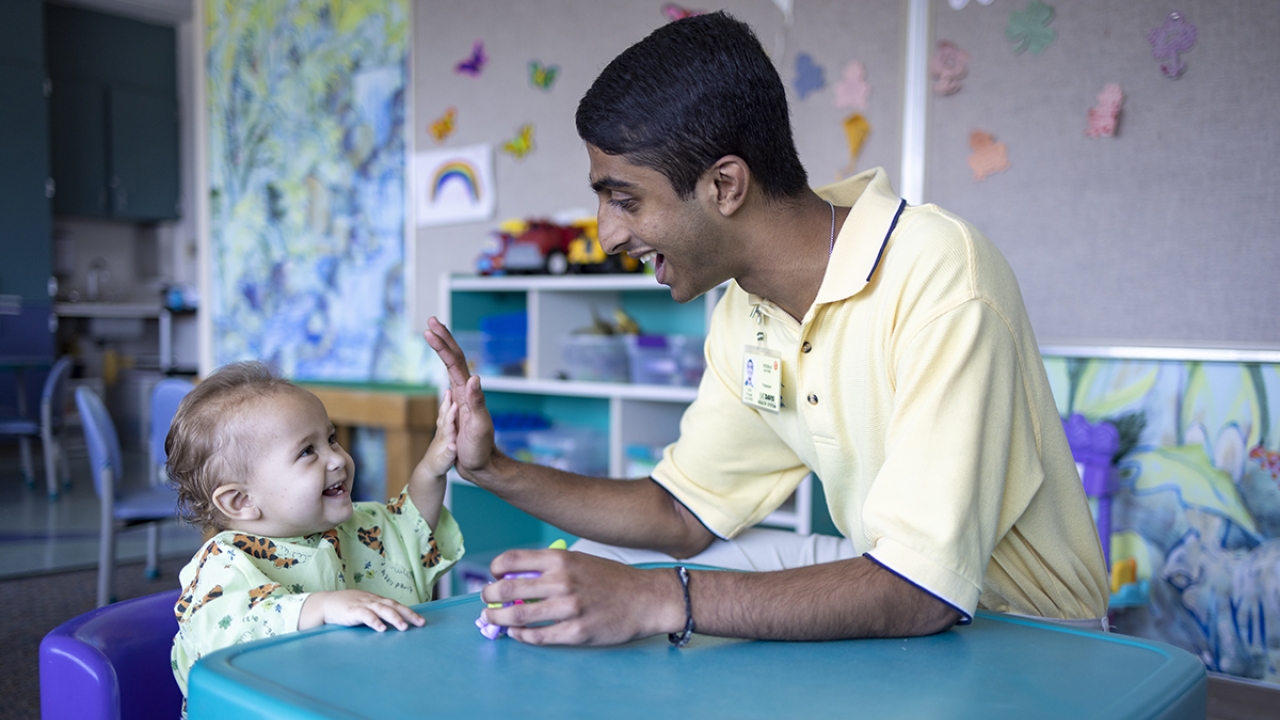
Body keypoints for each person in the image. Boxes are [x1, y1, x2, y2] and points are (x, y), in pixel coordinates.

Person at [425, 11, 1107, 647]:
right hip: (906, 585)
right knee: (602, 565)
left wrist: (661, 599)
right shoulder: (745, 312)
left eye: (625, 199)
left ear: (725, 186)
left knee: (652, 591)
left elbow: (921, 588)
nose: (607, 236)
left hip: (1022, 633)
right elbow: (681, 516)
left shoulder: (939, 274)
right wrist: (494, 471)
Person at [167, 361, 464, 703]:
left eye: (332, 439)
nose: (337, 459)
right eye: (308, 451)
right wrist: (320, 606)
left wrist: (435, 463)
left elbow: (411, 526)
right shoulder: (223, 563)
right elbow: (227, 631)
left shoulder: (353, 526)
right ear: (241, 500)